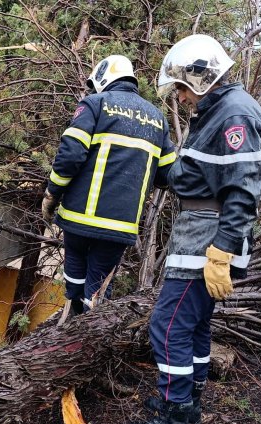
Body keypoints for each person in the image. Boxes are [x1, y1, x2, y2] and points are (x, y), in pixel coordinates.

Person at [120, 35, 261, 424]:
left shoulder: (234, 115)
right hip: (202, 235)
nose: (182, 98)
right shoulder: (220, 110)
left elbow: (243, 192)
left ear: (200, 76)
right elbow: (194, 174)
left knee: (167, 327)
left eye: (182, 88)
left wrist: (221, 252)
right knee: (196, 325)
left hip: (209, 239)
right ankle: (188, 404)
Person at [42, 55, 177, 316]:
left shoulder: (95, 104)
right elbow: (167, 175)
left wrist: (51, 195)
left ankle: (73, 320)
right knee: (97, 292)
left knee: (75, 280)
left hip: (78, 218)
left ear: (103, 78)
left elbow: (70, 156)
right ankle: (87, 326)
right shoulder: (157, 119)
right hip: (120, 226)